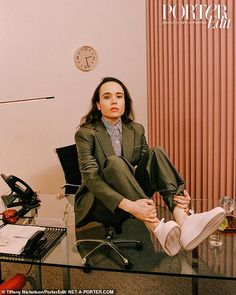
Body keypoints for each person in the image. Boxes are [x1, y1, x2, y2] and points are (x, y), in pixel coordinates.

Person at [74, 77, 225, 257]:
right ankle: (156, 227)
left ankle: (184, 220)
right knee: (114, 162)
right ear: (98, 105)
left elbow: (150, 167)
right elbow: (91, 178)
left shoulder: (136, 129)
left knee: (156, 152)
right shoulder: (85, 133)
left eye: (119, 96)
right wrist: (129, 205)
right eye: (107, 97)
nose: (114, 101)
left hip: (133, 197)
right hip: (101, 203)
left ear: (125, 102)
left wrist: (179, 194)